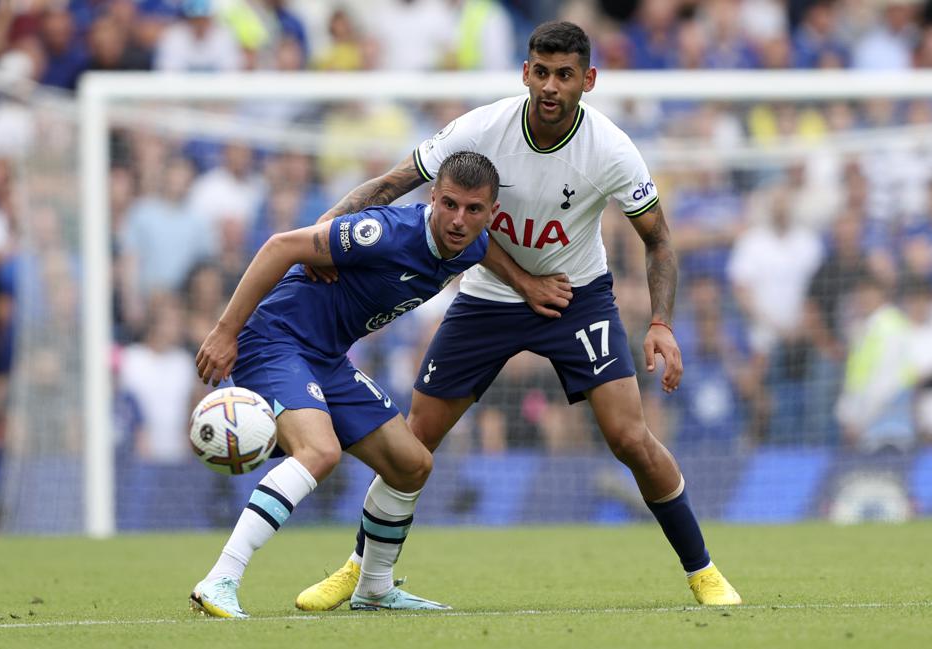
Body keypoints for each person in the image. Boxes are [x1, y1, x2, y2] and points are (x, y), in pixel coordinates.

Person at [296, 21, 741, 611]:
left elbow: (658, 241)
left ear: (589, 80)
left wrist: (660, 322)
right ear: (524, 72)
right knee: (414, 441)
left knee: (631, 437)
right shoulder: (481, 130)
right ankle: (362, 573)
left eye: (565, 75)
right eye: (541, 71)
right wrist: (318, 242)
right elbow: (391, 184)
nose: (551, 86)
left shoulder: (610, 149)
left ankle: (703, 572)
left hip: (575, 295)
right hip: (488, 295)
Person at [190, 151, 508, 617]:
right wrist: (225, 331)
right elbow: (281, 246)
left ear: (490, 214)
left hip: (327, 359)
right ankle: (220, 578)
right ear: (434, 198)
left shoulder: (473, 246)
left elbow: (493, 252)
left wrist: (529, 284)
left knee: (412, 464)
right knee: (320, 452)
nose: (459, 220)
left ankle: (374, 588)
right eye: (450, 205)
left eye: (473, 210)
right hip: (276, 340)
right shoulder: (385, 231)